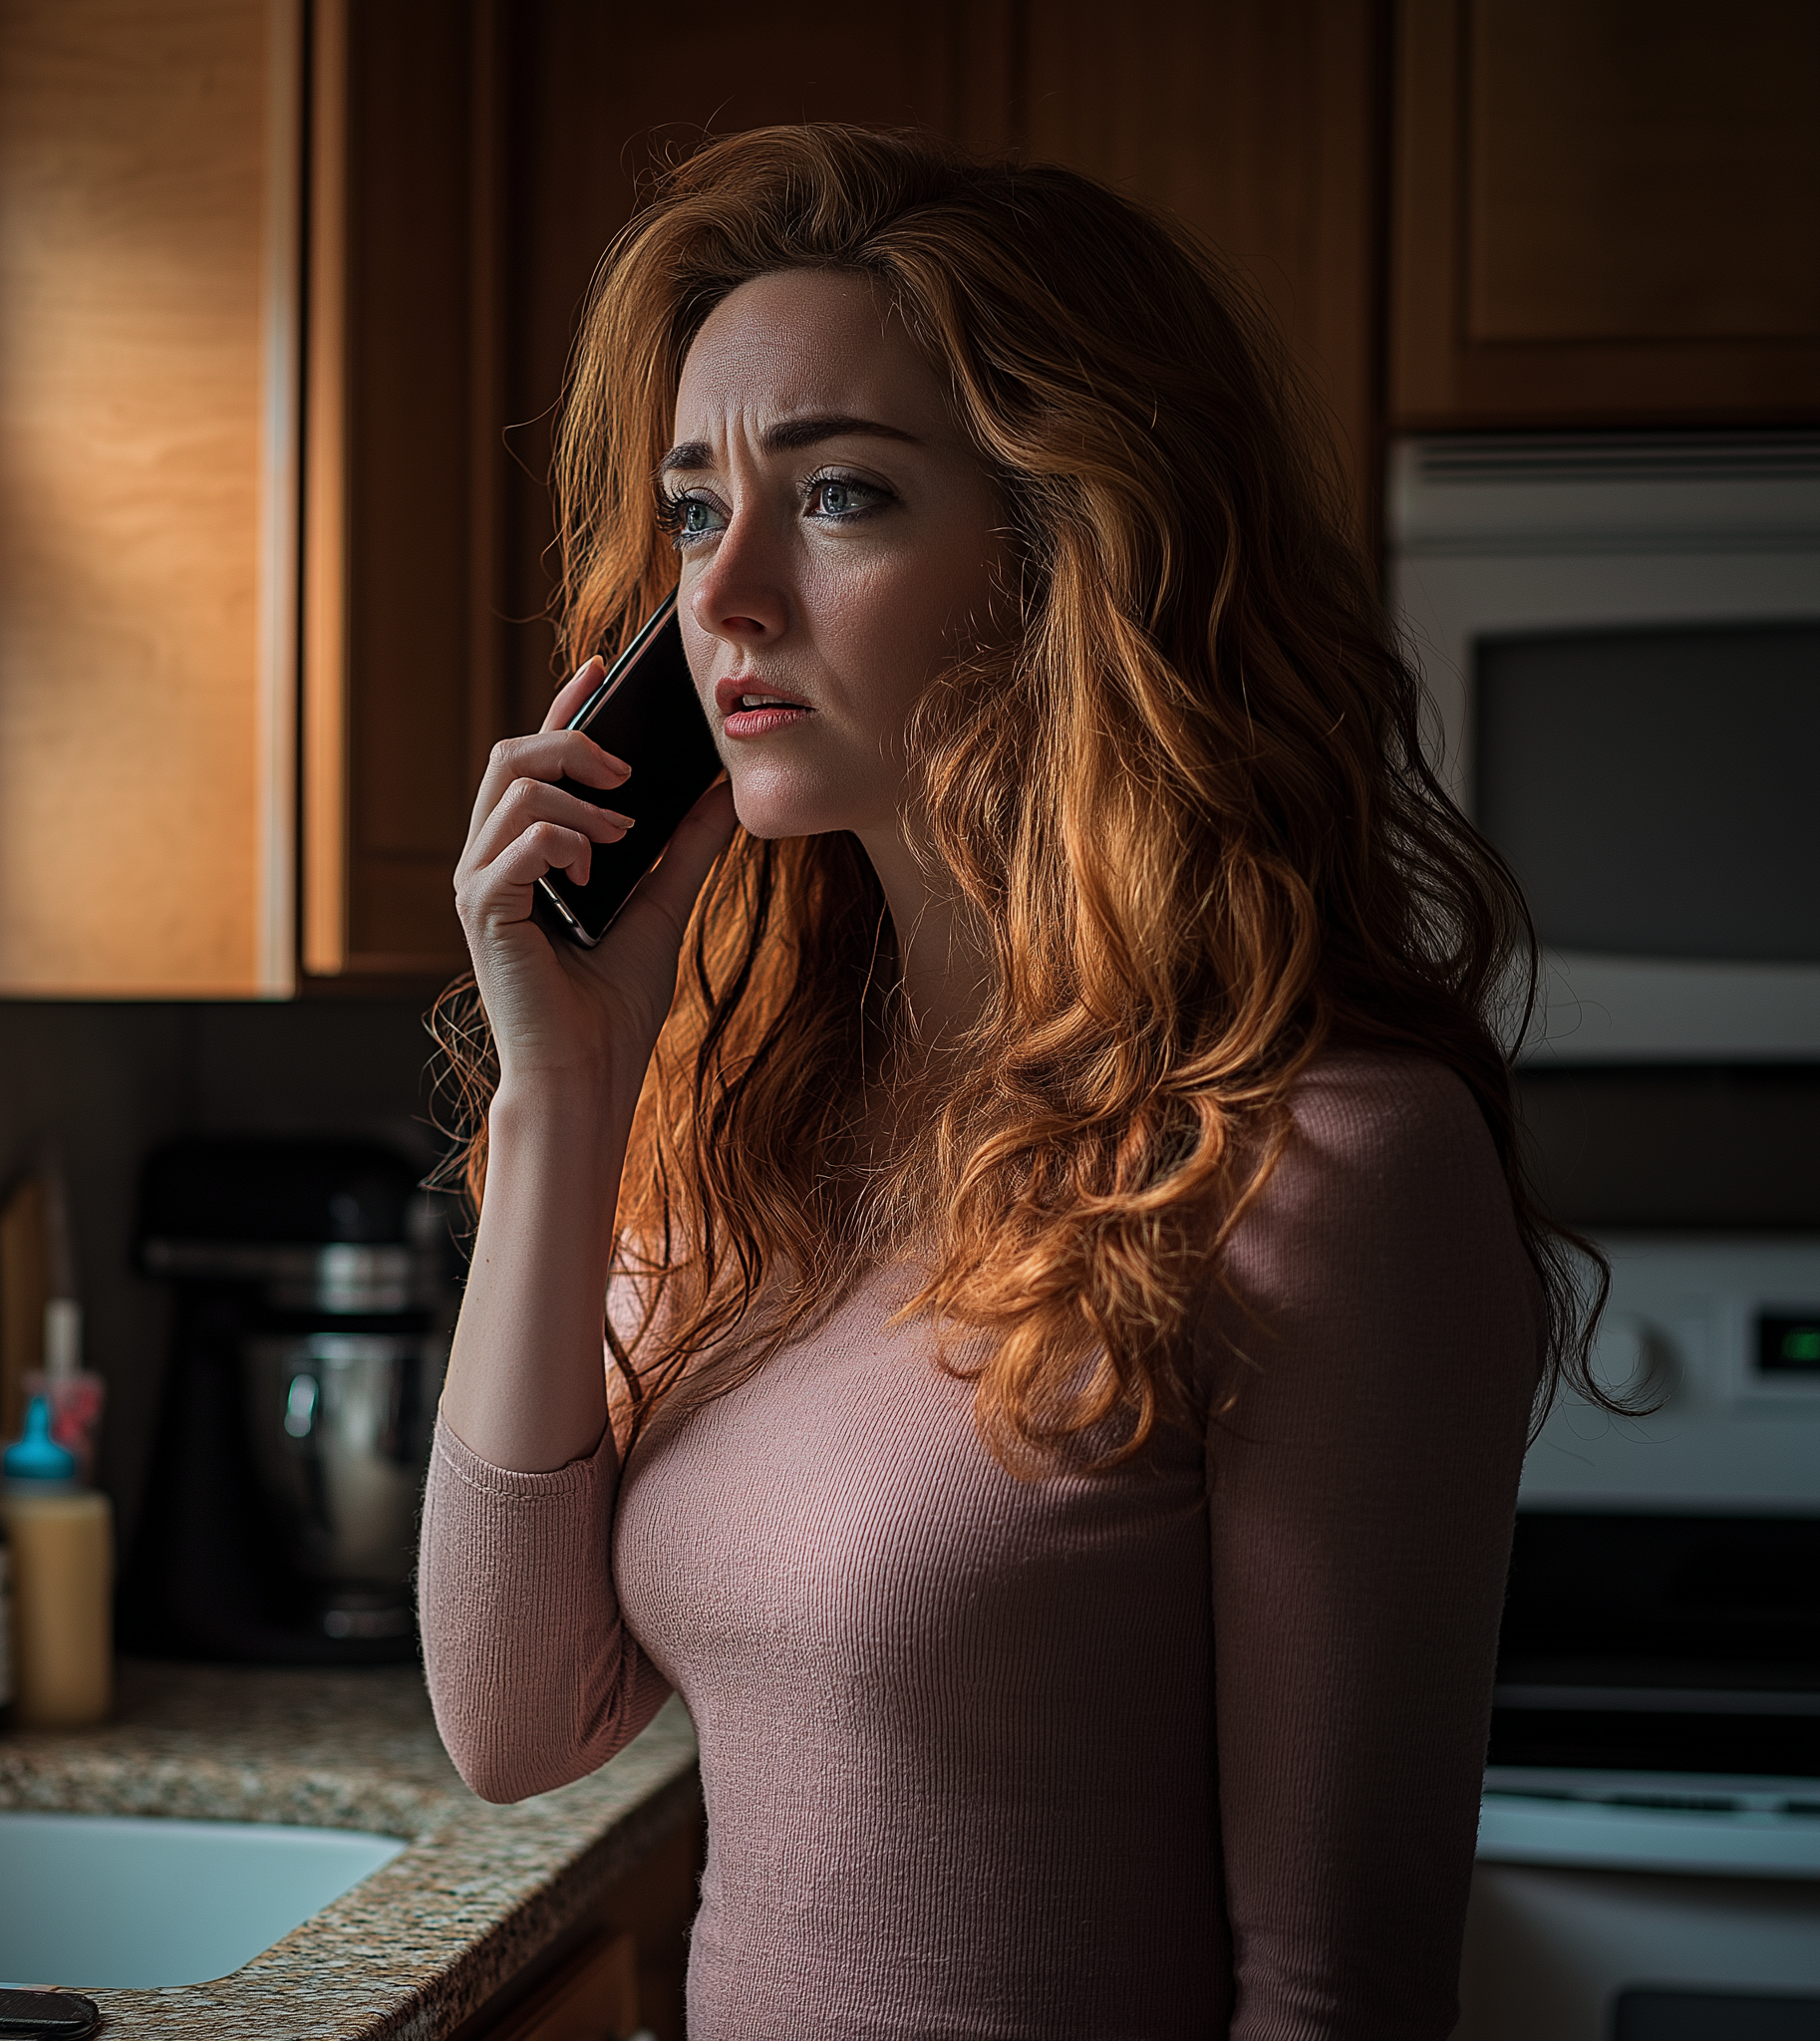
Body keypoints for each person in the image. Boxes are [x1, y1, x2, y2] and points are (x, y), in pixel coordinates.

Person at [422, 124, 1595, 2040]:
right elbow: (516, 1721)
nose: (722, 600)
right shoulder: (751, 1136)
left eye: (846, 497)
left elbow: (1332, 1991)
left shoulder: (1323, 1166)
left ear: (1068, 559)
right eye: (699, 510)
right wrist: (569, 1085)